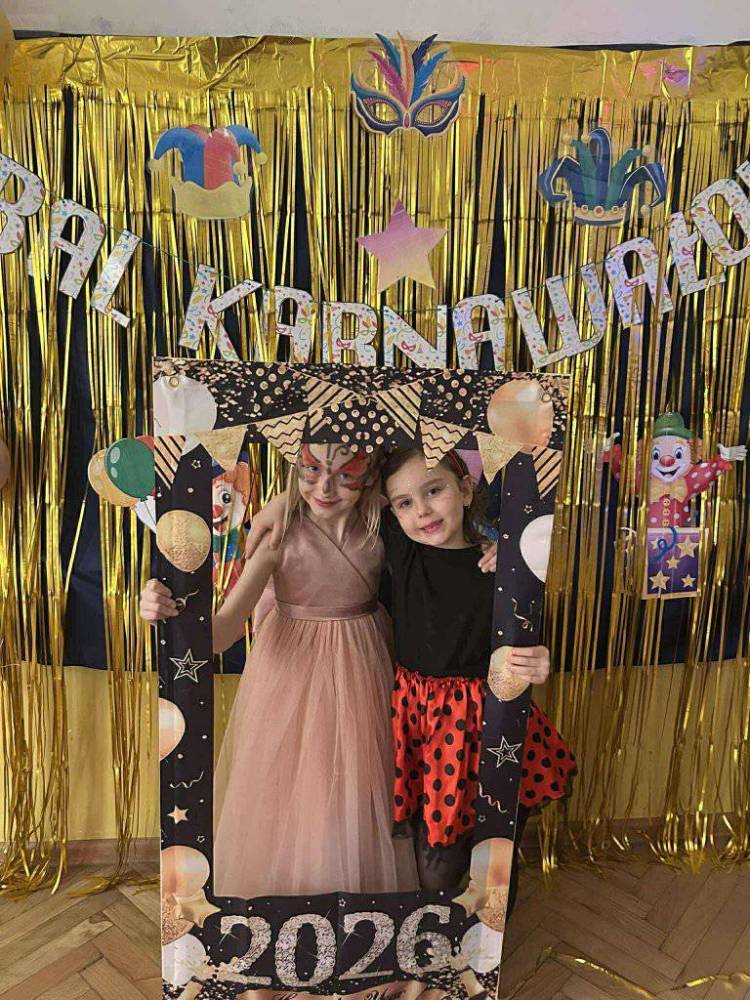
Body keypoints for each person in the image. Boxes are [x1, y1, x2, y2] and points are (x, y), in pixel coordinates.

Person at [246, 447, 575, 915]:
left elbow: (532, 640)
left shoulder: (499, 569)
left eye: (434, 491)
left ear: (465, 490)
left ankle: (486, 948)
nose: (422, 510)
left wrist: (537, 647)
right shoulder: (399, 550)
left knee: (493, 858)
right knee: (434, 866)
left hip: (489, 727)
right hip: (425, 730)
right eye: (404, 502)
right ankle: (437, 940)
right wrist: (281, 503)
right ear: (392, 511)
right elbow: (340, 492)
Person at [141, 443, 418, 897]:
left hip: (364, 667)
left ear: (369, 475)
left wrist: (488, 548)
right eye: (311, 470)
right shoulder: (276, 538)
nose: (325, 488)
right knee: (295, 789)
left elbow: (434, 524)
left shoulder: (379, 517)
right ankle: (295, 901)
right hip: (291, 675)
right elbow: (222, 632)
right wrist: (169, 614)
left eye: (345, 474)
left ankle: (354, 902)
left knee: (355, 787)